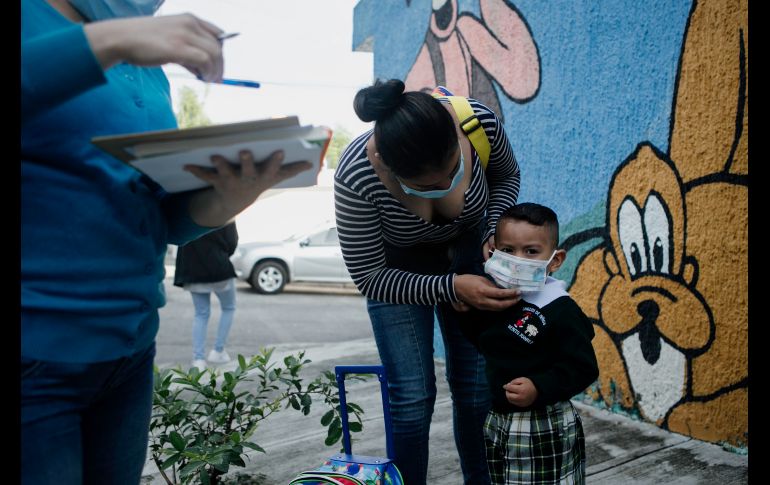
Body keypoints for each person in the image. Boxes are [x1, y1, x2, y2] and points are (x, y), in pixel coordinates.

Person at [21, 1, 311, 483]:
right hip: (36, 353)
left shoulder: (149, 67)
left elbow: (163, 220)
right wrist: (110, 41)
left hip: (130, 352)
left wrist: (234, 195)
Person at [334, 79, 523, 484]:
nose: (445, 188)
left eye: (454, 172)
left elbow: (506, 179)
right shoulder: (356, 175)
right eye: (426, 186)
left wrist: (493, 232)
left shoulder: (478, 125)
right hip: (395, 273)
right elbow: (369, 276)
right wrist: (450, 287)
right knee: (413, 400)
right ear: (385, 163)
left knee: (476, 392)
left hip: (472, 254)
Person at [456, 202, 599, 484]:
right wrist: (467, 315)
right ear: (494, 251)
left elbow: (583, 367)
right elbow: (489, 343)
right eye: (508, 250)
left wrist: (539, 387)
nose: (517, 259)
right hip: (499, 420)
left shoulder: (560, 309)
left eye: (531, 251)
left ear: (555, 260)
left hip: (543, 422)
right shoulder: (502, 294)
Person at [173, 221, 239, 371]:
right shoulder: (225, 206)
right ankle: (218, 350)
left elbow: (177, 237)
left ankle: (198, 360)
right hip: (219, 267)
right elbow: (232, 241)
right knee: (229, 307)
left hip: (192, 269)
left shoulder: (187, 204)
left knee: (201, 314)